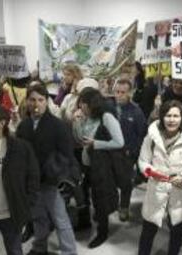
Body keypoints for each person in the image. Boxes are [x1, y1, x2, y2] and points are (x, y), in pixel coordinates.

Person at [16, 85, 77, 255]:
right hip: (31, 183)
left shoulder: (58, 125)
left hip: (50, 181)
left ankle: (69, 250)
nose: (37, 104)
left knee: (60, 218)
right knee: (37, 217)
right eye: (33, 100)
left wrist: (55, 173)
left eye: (41, 100)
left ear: (46, 102)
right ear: (27, 101)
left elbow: (66, 154)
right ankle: (40, 246)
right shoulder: (24, 126)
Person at [0, 105, 39, 255]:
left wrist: (27, 204)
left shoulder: (21, 148)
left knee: (15, 251)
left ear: (2, 123)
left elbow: (33, 177)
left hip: (12, 215)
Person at [137, 100, 182, 255]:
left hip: (179, 192)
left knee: (176, 232)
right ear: (162, 117)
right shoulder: (152, 137)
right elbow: (143, 161)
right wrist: (152, 172)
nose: (172, 119)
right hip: (156, 189)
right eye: (168, 115)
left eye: (176, 116)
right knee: (148, 231)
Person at [72, 88, 125, 248]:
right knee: (83, 195)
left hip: (102, 166)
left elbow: (119, 142)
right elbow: (80, 139)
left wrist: (96, 143)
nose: (81, 107)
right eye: (80, 104)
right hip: (87, 163)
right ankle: (85, 222)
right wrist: (77, 123)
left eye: (84, 104)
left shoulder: (106, 117)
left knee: (100, 198)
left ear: (92, 104)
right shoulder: (86, 118)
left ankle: (103, 231)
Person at [108, 78, 147, 217]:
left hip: (127, 153)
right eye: (117, 92)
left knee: (125, 182)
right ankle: (111, 203)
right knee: (109, 180)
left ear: (129, 93)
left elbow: (142, 134)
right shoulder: (109, 108)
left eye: (122, 92)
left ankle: (124, 207)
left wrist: (134, 153)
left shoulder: (136, 111)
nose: (119, 95)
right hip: (110, 151)